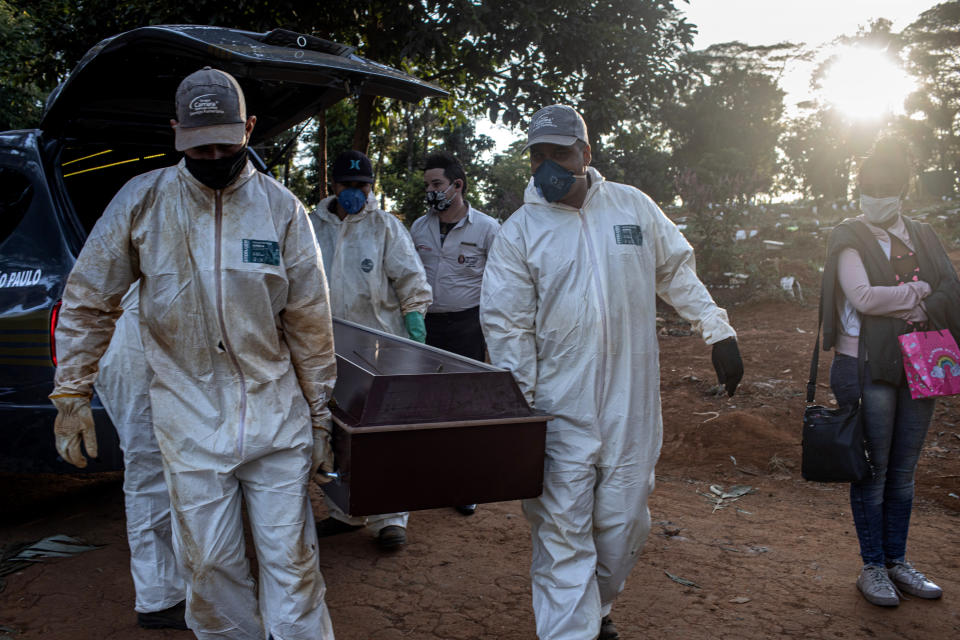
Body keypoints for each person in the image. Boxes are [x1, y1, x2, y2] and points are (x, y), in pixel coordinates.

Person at [49, 67, 337, 639]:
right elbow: (88, 299)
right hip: (188, 420)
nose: (212, 155)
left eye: (225, 143)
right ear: (176, 131)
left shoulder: (282, 211)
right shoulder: (143, 201)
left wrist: (322, 413)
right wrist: (72, 390)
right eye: (198, 144)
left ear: (249, 128)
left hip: (275, 415)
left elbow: (309, 323)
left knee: (293, 564)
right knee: (208, 569)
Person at [480, 104, 743, 640]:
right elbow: (507, 327)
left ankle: (595, 609)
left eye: (560, 152)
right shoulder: (520, 232)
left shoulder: (632, 207)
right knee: (560, 534)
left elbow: (675, 271)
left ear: (586, 153)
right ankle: (571, 630)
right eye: (538, 156)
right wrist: (519, 410)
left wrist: (716, 329)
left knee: (623, 525)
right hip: (556, 407)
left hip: (632, 402)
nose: (548, 165)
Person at [820, 138, 960, 607]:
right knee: (874, 471)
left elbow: (952, 290)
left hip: (920, 361)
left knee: (903, 471)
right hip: (865, 365)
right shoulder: (849, 237)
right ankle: (873, 566)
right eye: (868, 188)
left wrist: (920, 308)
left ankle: (898, 562)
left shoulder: (922, 235)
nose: (875, 196)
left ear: (902, 191)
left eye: (885, 188)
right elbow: (863, 298)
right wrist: (921, 293)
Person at [309, 149, 432, 549]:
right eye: (349, 186)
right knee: (335, 432)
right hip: (326, 349)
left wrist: (414, 320)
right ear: (334, 186)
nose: (355, 194)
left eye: (363, 187)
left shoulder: (384, 227)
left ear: (371, 188)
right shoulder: (312, 227)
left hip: (380, 349)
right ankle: (345, 512)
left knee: (383, 434)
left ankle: (390, 519)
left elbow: (410, 279)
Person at [411, 151, 501, 516]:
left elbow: (502, 282)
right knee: (428, 404)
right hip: (426, 327)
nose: (431, 191)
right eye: (428, 185)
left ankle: (465, 485)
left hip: (468, 325)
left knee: (466, 406)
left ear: (457, 185)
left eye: (437, 184)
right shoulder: (418, 228)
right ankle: (433, 479)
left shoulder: (487, 229)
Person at [94, 282, 187, 630]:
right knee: (149, 473)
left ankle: (173, 586)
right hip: (135, 351)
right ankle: (159, 598)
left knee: (169, 471)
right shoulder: (141, 230)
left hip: (153, 343)